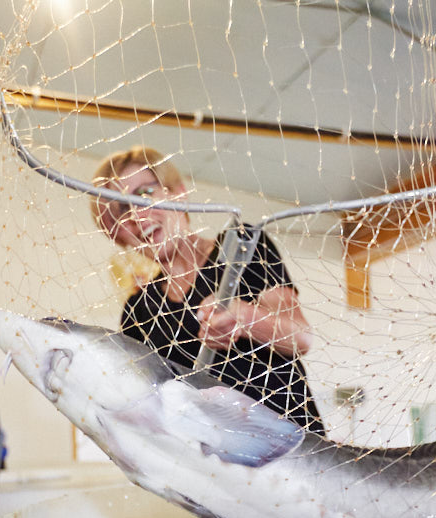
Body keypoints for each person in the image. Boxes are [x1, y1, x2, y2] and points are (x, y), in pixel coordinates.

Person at [91, 146, 324, 435]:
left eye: (144, 195)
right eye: (120, 212)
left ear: (177, 192)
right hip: (217, 465)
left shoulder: (242, 245)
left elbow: (300, 336)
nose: (137, 217)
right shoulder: (139, 311)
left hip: (297, 446)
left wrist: (243, 316)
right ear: (116, 236)